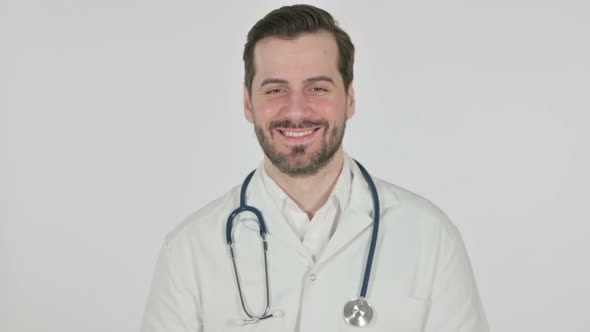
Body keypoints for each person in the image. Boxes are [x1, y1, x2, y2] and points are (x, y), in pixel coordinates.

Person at [141, 4, 489, 331]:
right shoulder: (189, 251)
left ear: (349, 99)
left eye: (317, 88)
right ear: (248, 104)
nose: (296, 109)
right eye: (275, 89)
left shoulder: (431, 239)